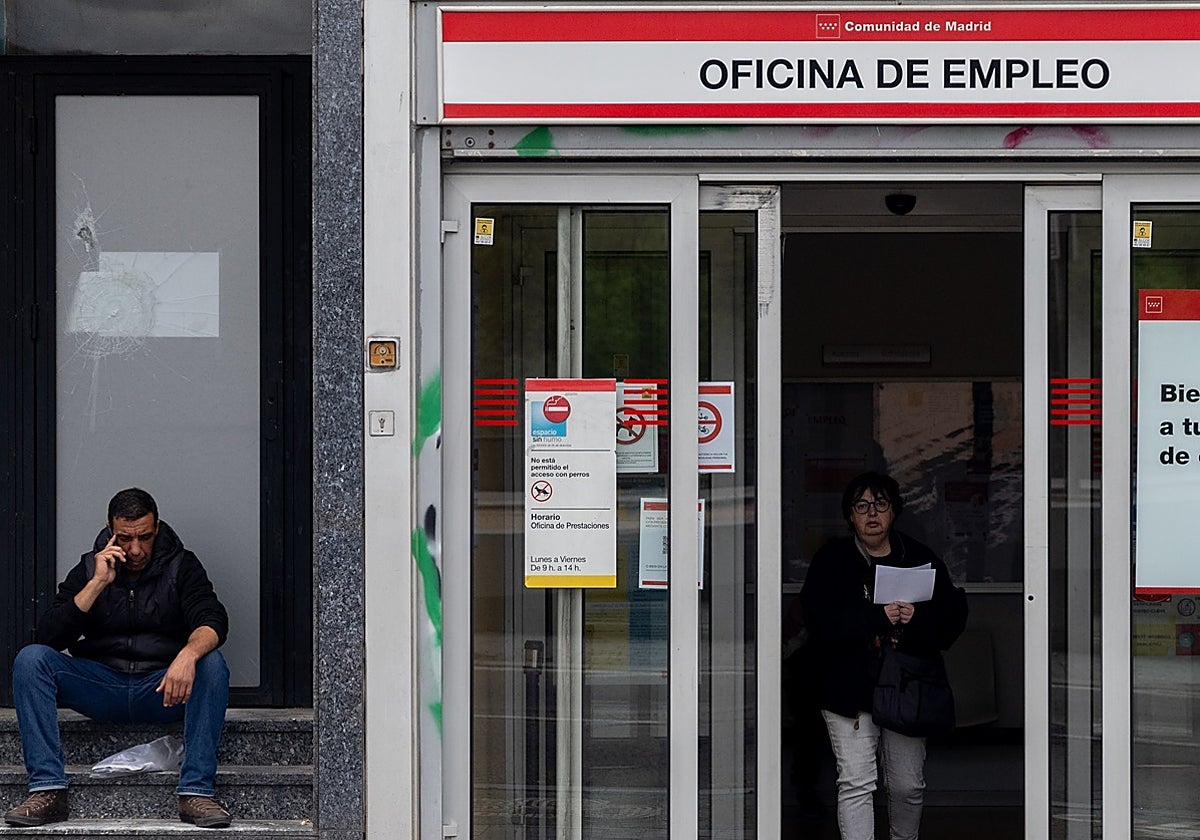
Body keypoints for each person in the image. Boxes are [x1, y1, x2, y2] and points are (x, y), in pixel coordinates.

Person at [4, 488, 232, 829]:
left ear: (156, 529)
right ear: (111, 531)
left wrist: (187, 654)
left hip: (161, 689)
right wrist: (97, 583)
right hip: (102, 686)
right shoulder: (89, 566)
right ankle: (48, 790)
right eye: (125, 538)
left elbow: (213, 619)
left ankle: (196, 792)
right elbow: (49, 637)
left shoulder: (182, 566)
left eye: (144, 537)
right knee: (30, 660)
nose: (136, 549)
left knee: (212, 664)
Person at [800, 472, 967, 840]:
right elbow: (816, 619)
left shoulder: (919, 557)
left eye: (880, 504)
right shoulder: (833, 560)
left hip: (907, 688)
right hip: (848, 691)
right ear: (850, 515)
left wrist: (917, 618)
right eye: (862, 506)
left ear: (894, 511)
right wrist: (877, 617)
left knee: (908, 785)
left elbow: (953, 618)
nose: (872, 513)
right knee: (857, 783)